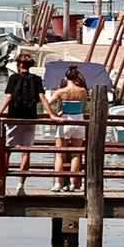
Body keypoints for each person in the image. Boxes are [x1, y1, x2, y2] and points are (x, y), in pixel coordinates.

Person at [0, 53, 47, 192]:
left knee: (7, 151)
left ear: (20, 64)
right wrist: (52, 114)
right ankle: (21, 186)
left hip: (14, 117)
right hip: (31, 118)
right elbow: (42, 97)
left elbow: (9, 97)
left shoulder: (13, 78)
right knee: (26, 152)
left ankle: (0, 184)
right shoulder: (37, 79)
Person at [48, 64, 88, 193]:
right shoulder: (82, 91)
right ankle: (71, 184)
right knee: (76, 154)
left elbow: (47, 104)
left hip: (65, 121)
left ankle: (57, 184)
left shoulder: (61, 91)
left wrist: (55, 114)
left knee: (59, 155)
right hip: (79, 121)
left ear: (66, 77)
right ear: (77, 77)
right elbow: (83, 109)